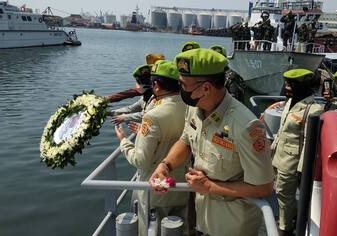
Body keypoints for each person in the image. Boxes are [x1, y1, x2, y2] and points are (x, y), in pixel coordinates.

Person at [149, 48, 275, 236]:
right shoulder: (195, 108)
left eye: (183, 85)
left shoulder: (245, 126)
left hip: (232, 227)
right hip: (202, 220)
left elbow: (264, 187)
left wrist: (209, 187)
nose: (180, 89)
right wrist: (165, 165)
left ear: (206, 88)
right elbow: (185, 141)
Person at [115, 60, 189, 236]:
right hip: (183, 185)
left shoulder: (153, 116)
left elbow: (140, 160)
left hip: (156, 190)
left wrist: (124, 141)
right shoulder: (190, 107)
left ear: (155, 85)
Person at [271, 69, 324, 236]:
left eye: (290, 84)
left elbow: (309, 141)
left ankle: (284, 228)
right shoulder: (290, 102)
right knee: (280, 193)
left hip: (292, 161)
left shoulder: (313, 109)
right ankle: (291, 215)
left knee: (283, 194)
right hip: (279, 156)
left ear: (302, 86)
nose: (286, 87)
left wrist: (302, 169)